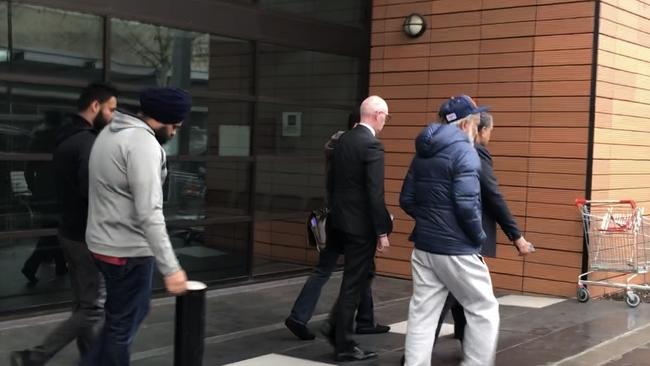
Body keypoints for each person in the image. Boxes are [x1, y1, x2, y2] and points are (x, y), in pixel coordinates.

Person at [10, 83, 118, 366]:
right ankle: (36, 355)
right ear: (95, 106)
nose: (114, 116)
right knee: (94, 308)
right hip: (88, 234)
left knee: (84, 302)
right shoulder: (89, 143)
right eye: (111, 109)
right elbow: (93, 191)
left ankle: (91, 358)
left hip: (68, 230)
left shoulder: (63, 139)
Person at [80, 87, 190, 366]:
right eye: (175, 126)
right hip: (127, 251)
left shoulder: (110, 132)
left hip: (102, 244)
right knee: (122, 327)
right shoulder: (143, 145)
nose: (174, 133)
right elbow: (149, 212)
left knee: (123, 317)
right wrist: (172, 267)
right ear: (162, 119)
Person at [399, 95, 499, 366]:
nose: (478, 127)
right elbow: (467, 206)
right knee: (484, 309)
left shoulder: (422, 151)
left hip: (424, 247)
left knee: (422, 313)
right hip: (458, 248)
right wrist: (478, 237)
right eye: (476, 121)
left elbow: (406, 199)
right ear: (465, 124)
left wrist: (432, 221)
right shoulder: (464, 152)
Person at [285, 113, 390, 341]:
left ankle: (299, 316)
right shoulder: (356, 146)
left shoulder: (335, 145)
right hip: (352, 220)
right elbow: (367, 189)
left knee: (325, 269)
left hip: (330, 215)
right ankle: (362, 321)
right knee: (362, 270)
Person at [433, 112, 535, 344]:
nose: (490, 135)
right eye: (489, 130)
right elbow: (493, 196)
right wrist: (517, 236)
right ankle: (415, 356)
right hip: (464, 236)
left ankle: (464, 334)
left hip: (443, 233)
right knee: (456, 296)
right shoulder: (476, 152)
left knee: (456, 291)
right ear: (479, 130)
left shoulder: (439, 149)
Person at [321, 96, 393, 362]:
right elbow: (375, 193)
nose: (386, 120)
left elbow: (332, 182)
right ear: (376, 114)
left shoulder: (343, 141)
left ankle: (335, 326)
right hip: (359, 226)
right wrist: (382, 231)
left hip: (339, 220)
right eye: (386, 115)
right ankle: (343, 342)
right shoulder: (372, 145)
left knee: (360, 277)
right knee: (354, 281)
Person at [21, 111, 67, 283]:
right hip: (58, 190)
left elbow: (28, 169)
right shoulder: (61, 139)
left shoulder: (37, 139)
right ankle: (31, 266)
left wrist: (35, 189)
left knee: (53, 228)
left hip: (43, 189)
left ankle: (60, 266)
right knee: (54, 229)